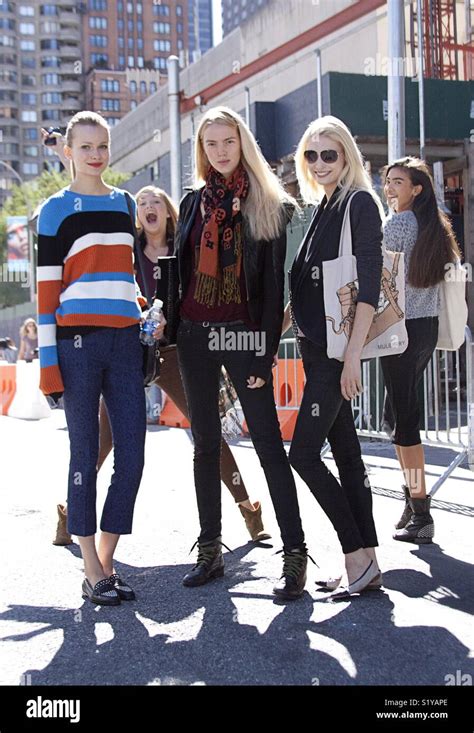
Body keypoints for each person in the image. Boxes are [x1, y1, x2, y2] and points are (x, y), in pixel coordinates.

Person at [51, 183, 271, 545]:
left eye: (155, 201)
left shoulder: (185, 248)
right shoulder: (125, 248)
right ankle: (68, 511)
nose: (147, 207)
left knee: (206, 431)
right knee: (103, 441)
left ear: (169, 211)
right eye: (141, 203)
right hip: (127, 350)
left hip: (173, 352)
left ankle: (248, 508)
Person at [176, 106, 308, 598]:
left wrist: (264, 353)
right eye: (211, 144)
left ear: (243, 143)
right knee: (205, 444)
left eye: (228, 141)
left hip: (245, 335)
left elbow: (273, 291)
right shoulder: (192, 203)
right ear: (202, 150)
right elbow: (183, 270)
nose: (220, 151)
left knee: (270, 444)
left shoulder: (269, 203)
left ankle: (294, 553)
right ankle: (210, 548)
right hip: (195, 333)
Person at [37, 110, 164, 606]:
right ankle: (91, 567)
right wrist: (49, 366)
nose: (95, 154)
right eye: (85, 146)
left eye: (103, 145)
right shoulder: (54, 210)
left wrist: (143, 310)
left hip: (126, 342)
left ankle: (104, 560)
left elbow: (125, 275)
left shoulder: (124, 202)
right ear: (68, 151)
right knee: (85, 456)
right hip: (78, 346)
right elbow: (49, 293)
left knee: (133, 454)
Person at [282, 115, 384, 597]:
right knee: (345, 454)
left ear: (347, 157)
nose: (319, 163)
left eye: (330, 154)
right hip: (316, 350)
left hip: (334, 355)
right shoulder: (324, 207)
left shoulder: (358, 202)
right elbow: (303, 291)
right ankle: (366, 563)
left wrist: (351, 359)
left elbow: (369, 290)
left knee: (302, 454)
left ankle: (353, 554)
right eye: (311, 154)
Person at [381, 157, 461, 544]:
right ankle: (412, 500)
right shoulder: (435, 226)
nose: (390, 187)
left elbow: (378, 275)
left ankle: (421, 511)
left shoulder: (397, 224)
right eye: (388, 181)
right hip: (424, 328)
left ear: (416, 189)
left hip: (400, 329)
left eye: (398, 182)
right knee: (396, 417)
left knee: (404, 423)